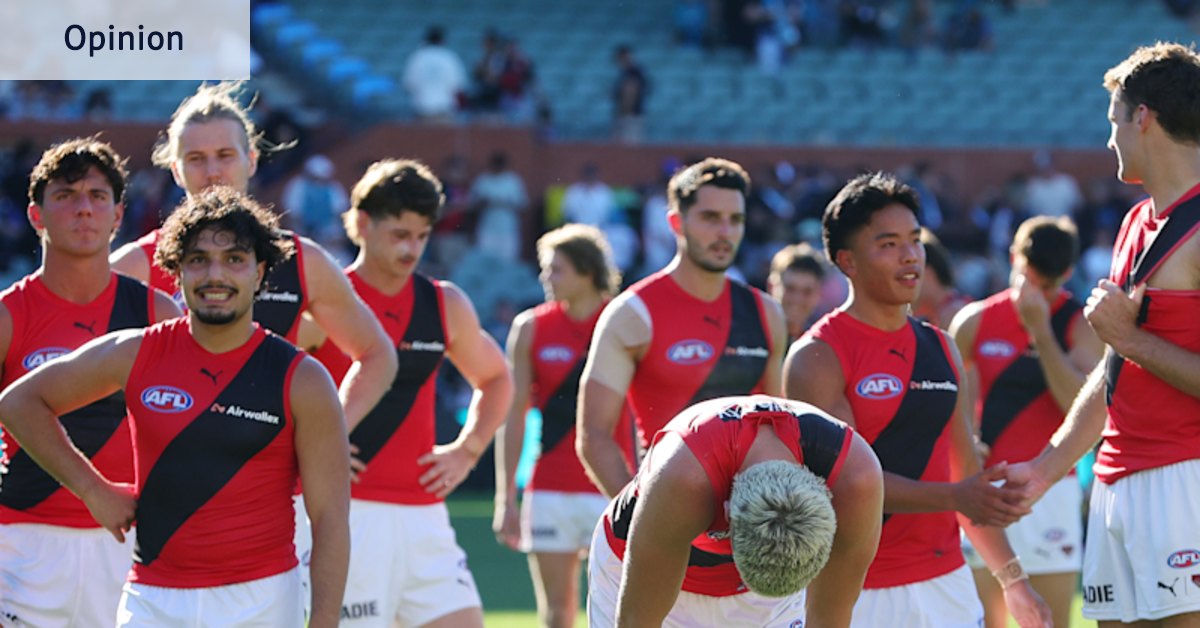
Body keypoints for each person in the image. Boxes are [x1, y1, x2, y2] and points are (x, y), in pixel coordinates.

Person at [0, 187, 351, 627]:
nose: (215, 275)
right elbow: (19, 402)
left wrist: (323, 621)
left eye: (234, 259)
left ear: (260, 272)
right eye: (198, 259)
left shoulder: (302, 378)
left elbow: (330, 518)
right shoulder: (136, 352)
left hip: (261, 602)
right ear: (178, 271)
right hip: (151, 599)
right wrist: (93, 490)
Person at [784, 172, 1052, 628]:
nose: (911, 256)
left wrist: (1013, 580)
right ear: (847, 261)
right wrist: (957, 496)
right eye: (888, 244)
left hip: (948, 583)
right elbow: (849, 485)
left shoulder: (942, 347)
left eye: (914, 240)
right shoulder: (817, 356)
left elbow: (968, 479)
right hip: (859, 589)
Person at [1006, 42, 1200, 626]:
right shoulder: (1135, 222)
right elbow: (1116, 369)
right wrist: (1043, 469)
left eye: (1114, 120)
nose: (1110, 137)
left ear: (1143, 116)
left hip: (1183, 476)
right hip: (1115, 479)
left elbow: (1129, 344)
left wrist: (1133, 339)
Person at [108, 81, 395, 423]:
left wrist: (329, 438)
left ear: (252, 160)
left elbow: (378, 355)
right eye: (196, 159)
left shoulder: (301, 261)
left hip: (270, 472)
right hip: (168, 474)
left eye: (225, 155)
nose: (213, 171)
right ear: (176, 171)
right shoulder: (134, 265)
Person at [317, 159, 513, 627]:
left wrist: (467, 450)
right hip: (347, 514)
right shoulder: (325, 298)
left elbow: (497, 378)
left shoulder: (443, 302)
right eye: (400, 234)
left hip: (426, 516)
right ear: (362, 223)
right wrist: (315, 449)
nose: (412, 248)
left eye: (422, 236)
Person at [0, 138, 181, 626]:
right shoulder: (7, 316)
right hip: (22, 545)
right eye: (66, 195)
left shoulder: (156, 313)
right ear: (36, 215)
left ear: (119, 214)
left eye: (98, 197)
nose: (84, 210)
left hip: (129, 545)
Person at [577, 157, 787, 498]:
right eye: (710, 218)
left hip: (748, 524)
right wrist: (637, 518)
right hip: (666, 515)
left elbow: (778, 426)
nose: (724, 232)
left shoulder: (766, 312)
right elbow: (594, 437)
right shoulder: (633, 313)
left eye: (735, 220)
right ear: (676, 222)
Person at [588, 395, 883, 626]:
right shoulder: (685, 479)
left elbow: (829, 619)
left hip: (765, 582)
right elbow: (636, 622)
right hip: (645, 567)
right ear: (728, 513)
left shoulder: (857, 481)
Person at [949, 215, 1102, 628]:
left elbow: (1081, 403)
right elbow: (953, 400)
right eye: (1029, 277)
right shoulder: (974, 320)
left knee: (1049, 621)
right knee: (984, 622)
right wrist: (969, 439)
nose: (1035, 292)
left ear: (1068, 274)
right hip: (987, 487)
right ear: (1014, 258)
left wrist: (1041, 331)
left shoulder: (1079, 323)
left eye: (1048, 285)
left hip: (1051, 488)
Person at [492, 224, 633, 628]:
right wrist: (507, 500)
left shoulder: (624, 321)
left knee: (618, 610)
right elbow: (513, 414)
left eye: (556, 270)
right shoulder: (530, 327)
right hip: (549, 487)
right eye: (545, 269)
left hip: (613, 486)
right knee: (557, 614)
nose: (545, 279)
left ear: (587, 272)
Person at [767, 242, 826, 342]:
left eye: (807, 292)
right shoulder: (747, 335)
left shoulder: (821, 345)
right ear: (771, 287)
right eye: (790, 289)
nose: (797, 299)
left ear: (818, 295)